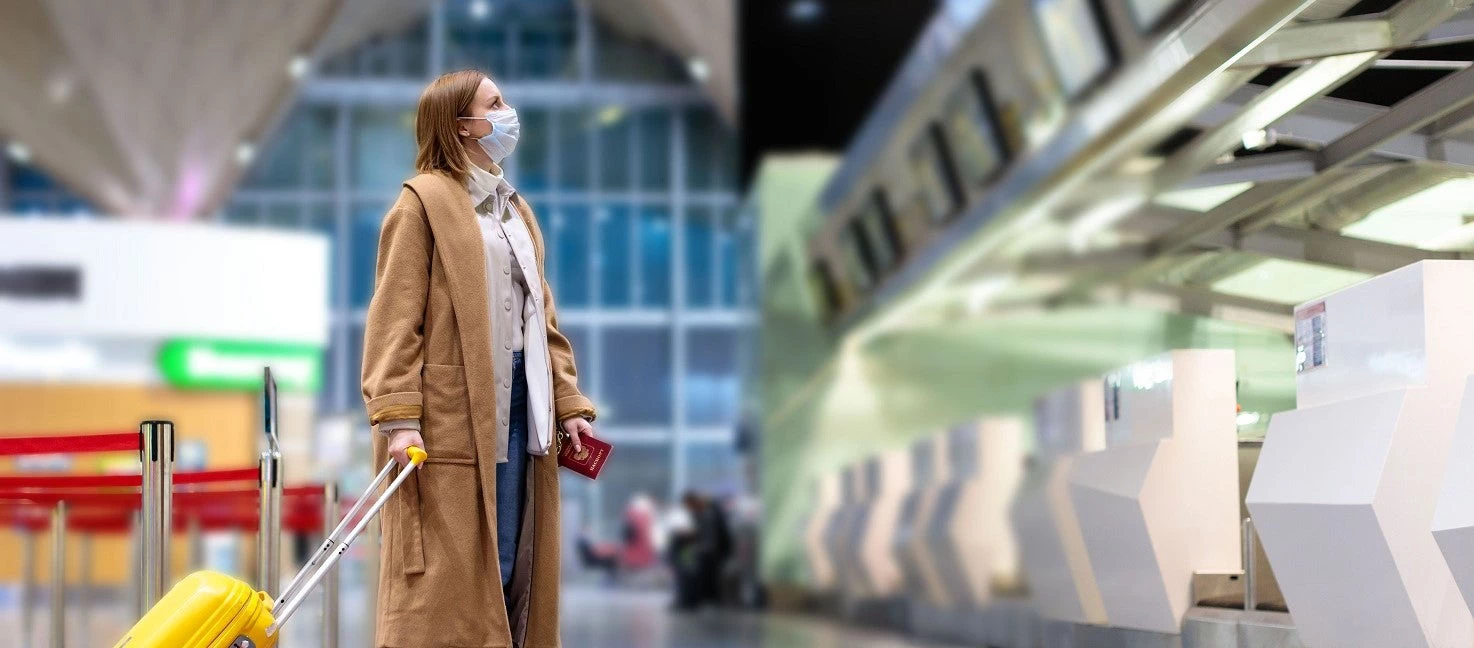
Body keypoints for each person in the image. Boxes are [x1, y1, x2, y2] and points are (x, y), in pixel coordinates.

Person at [361, 69, 598, 648]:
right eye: (495, 103)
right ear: (462, 125)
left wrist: (568, 402)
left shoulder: (513, 209)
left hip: (521, 404)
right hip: (449, 418)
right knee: (456, 574)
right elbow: (394, 319)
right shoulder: (420, 204)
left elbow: (540, 319)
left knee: (514, 559)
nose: (507, 111)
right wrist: (398, 420)